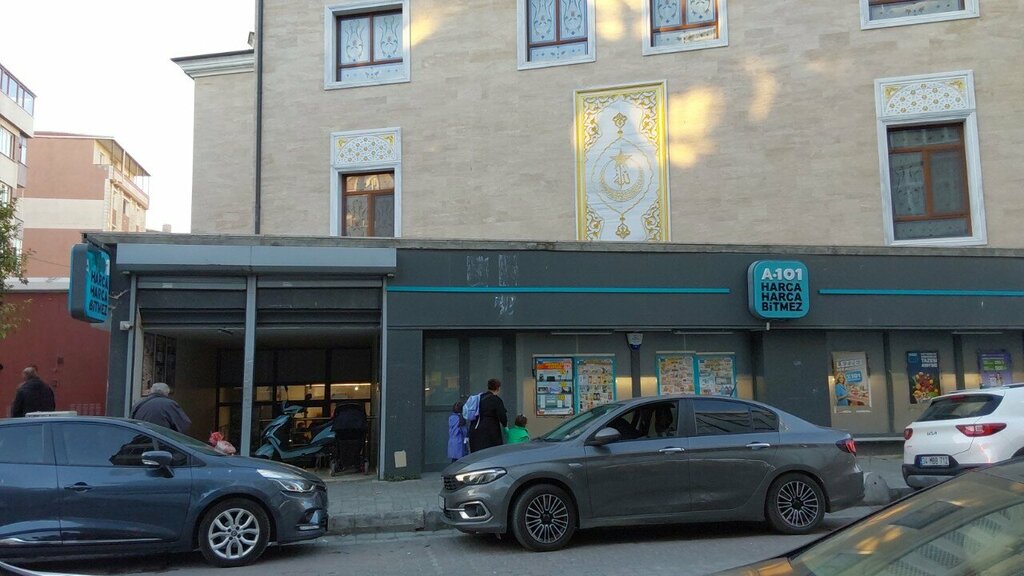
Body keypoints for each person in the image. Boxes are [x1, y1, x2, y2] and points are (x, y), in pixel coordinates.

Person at [468, 378, 507, 453]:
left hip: (475, 429)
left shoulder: (479, 398)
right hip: (490, 431)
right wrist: (505, 425)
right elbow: (502, 416)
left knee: (477, 454)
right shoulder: (496, 400)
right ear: (498, 388)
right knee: (491, 453)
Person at [331, 402, 368, 475]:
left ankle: (341, 463)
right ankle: (357, 464)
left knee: (341, 449)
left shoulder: (341, 423)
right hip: (357, 436)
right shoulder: (358, 422)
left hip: (342, 436)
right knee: (356, 449)